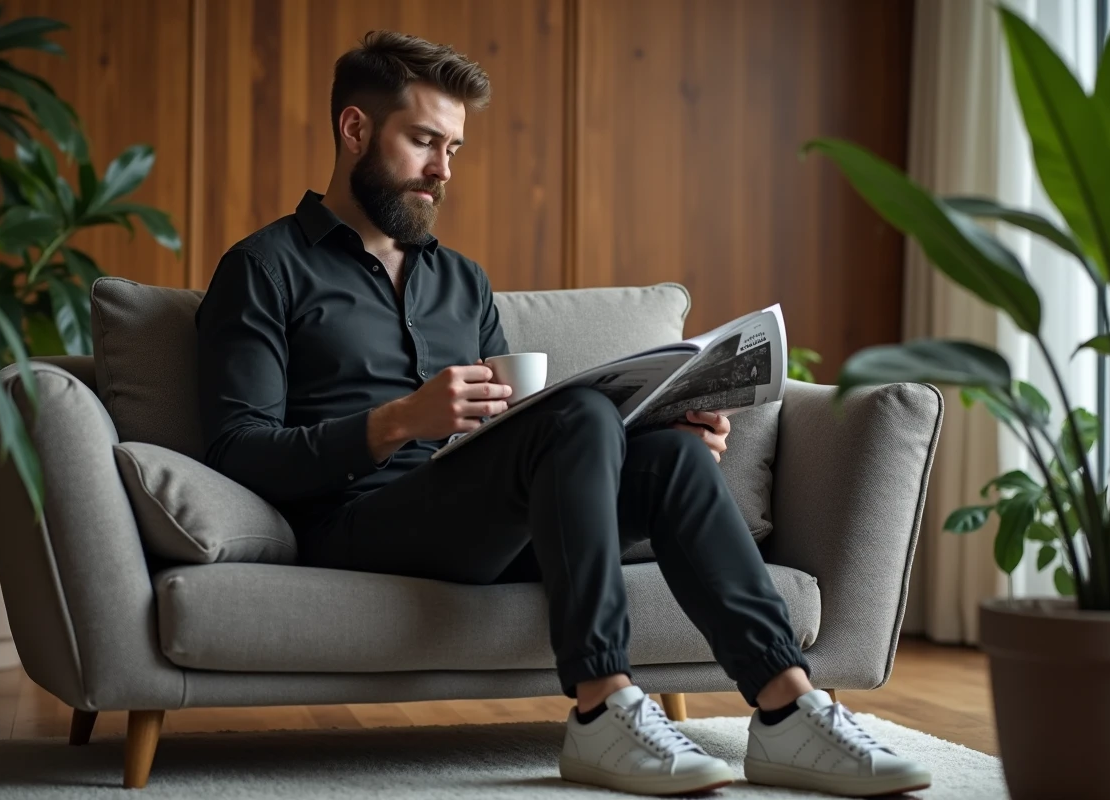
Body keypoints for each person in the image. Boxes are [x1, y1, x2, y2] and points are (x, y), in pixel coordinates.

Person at [194, 30, 931, 798]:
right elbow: (238, 449)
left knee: (670, 458)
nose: (443, 170)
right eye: (423, 142)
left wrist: (652, 428)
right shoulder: (264, 268)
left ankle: (786, 709)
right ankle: (602, 706)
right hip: (357, 523)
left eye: (453, 148)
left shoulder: (462, 282)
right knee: (574, 416)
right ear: (354, 130)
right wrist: (397, 422)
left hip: (478, 522)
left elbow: (514, 439)